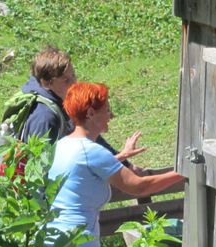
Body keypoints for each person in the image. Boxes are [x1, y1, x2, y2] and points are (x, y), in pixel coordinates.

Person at [45, 82, 185, 247]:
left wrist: (120, 157)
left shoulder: (62, 145)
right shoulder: (91, 151)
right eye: (107, 110)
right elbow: (139, 186)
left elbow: (81, 169)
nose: (111, 115)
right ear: (90, 113)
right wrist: (183, 172)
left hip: (51, 244)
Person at [18, 46, 146, 166]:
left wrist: (123, 162)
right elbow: (45, 169)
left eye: (73, 76)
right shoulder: (44, 116)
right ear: (46, 82)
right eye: (66, 80)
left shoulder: (60, 98)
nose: (74, 83)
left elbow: (88, 136)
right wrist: (119, 158)